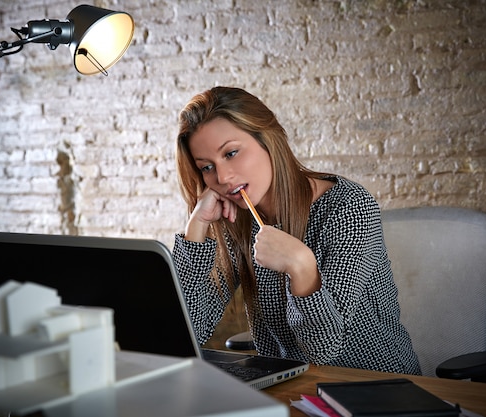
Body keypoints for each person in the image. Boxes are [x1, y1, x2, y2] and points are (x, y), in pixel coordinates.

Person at [172, 86, 421, 375]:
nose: (223, 177)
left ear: (268, 140)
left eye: (232, 153)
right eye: (206, 167)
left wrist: (302, 267)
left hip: (378, 387)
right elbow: (187, 332)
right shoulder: (234, 219)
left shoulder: (349, 208)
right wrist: (196, 228)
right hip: (288, 389)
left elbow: (321, 350)